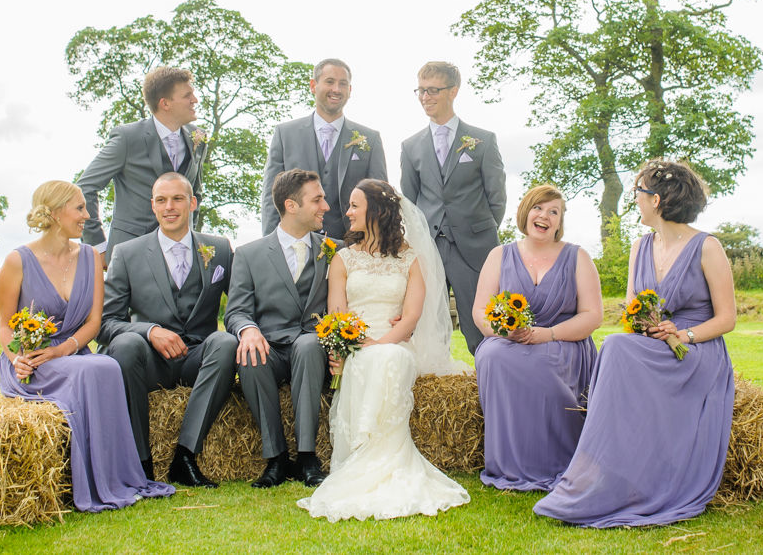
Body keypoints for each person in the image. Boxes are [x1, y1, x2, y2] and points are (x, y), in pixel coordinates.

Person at [534, 160, 736, 527]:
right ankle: (607, 473)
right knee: (617, 346)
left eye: (638, 194)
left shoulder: (707, 247)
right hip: (653, 343)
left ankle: (616, 474)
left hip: (696, 349)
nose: (635, 201)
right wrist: (645, 324)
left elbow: (727, 319)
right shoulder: (639, 247)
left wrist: (683, 335)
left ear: (656, 200)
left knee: (613, 347)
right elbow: (631, 311)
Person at [0, 180, 174, 512]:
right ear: (56, 212)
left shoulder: (92, 256)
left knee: (104, 365)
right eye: (80, 208)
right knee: (96, 368)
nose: (87, 216)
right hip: (31, 362)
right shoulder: (17, 261)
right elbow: (4, 324)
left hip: (72, 352)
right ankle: (94, 484)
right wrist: (16, 357)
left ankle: (120, 477)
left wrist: (64, 349)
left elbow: (94, 322)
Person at [298, 179, 470, 522]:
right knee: (372, 358)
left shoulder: (410, 258)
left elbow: (411, 317)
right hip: (356, 345)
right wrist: (346, 347)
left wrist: (382, 342)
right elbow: (337, 313)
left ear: (376, 211)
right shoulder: (343, 259)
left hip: (396, 343)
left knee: (389, 357)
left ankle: (388, 457)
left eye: (354, 205)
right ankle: (362, 456)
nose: (347, 212)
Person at [97, 173, 236, 487]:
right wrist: (150, 331)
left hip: (198, 360)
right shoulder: (127, 253)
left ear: (192, 203)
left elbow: (241, 303)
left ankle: (185, 456)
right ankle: (139, 463)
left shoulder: (220, 249)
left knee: (226, 342)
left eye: (177, 199)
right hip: (149, 364)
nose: (169, 207)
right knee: (127, 344)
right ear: (153, 206)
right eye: (161, 200)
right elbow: (105, 324)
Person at [472, 185, 601, 492]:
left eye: (553, 212)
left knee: (544, 361)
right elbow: (479, 310)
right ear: (525, 213)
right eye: (538, 208)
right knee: (491, 354)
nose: (544, 216)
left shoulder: (578, 257)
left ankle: (564, 461)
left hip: (563, 341)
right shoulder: (499, 255)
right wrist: (502, 331)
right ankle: (510, 463)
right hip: (510, 340)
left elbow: (592, 315)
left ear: (559, 222)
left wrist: (549, 334)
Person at [224, 169, 335, 488]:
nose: (325, 206)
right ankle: (275, 459)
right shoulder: (249, 254)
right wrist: (247, 330)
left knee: (308, 344)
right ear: (291, 205)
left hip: (312, 351)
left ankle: (306, 457)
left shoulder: (333, 249)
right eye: (317, 199)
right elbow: (236, 311)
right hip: (269, 350)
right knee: (249, 354)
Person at [400, 61, 506, 354]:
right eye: (420, 91)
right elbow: (409, 201)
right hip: (428, 247)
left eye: (433, 90)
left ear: (453, 91)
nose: (425, 97)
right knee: (428, 325)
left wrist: (476, 230)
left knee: (481, 328)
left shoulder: (483, 141)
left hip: (474, 247)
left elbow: (496, 197)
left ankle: (488, 388)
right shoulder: (410, 147)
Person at [78, 67, 207, 260]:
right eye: (187, 95)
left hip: (179, 254)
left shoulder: (198, 137)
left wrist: (189, 233)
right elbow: (84, 188)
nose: (195, 100)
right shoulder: (127, 138)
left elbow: (195, 193)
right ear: (165, 103)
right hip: (130, 254)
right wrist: (97, 244)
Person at [261, 58, 388, 239]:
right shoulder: (285, 134)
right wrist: (271, 244)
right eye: (330, 82)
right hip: (296, 243)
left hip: (352, 248)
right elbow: (270, 197)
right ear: (313, 86)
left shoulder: (370, 139)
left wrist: (376, 244)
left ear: (350, 90)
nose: (336, 89)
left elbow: (379, 201)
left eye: (343, 84)